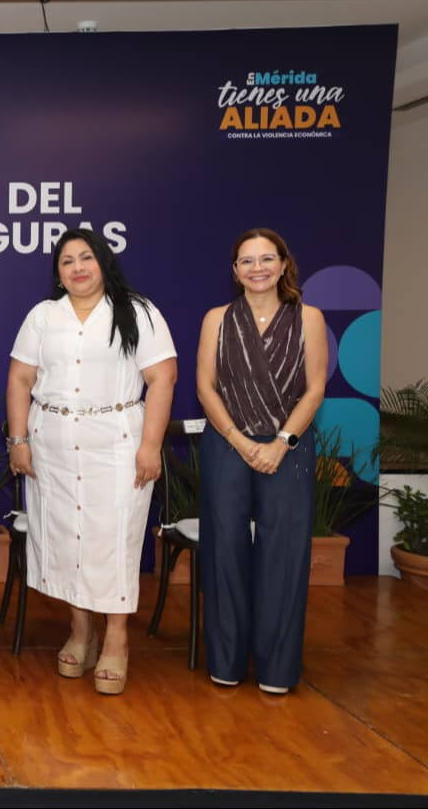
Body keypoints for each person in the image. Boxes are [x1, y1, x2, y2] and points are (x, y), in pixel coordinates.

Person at [6, 228, 177, 696]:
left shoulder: (137, 311)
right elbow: (20, 379)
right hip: (52, 444)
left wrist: (151, 445)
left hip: (118, 442)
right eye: (67, 261)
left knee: (112, 538)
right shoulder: (44, 316)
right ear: (58, 274)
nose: (78, 267)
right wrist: (17, 440)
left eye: (87, 257)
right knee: (67, 537)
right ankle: (81, 632)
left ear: (103, 262)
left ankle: (117, 639)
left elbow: (162, 379)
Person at [195, 228, 327, 694]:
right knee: (224, 552)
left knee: (284, 556)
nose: (257, 268)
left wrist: (281, 441)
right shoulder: (216, 319)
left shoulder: (308, 317)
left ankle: (277, 670)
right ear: (235, 271)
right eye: (246, 261)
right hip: (227, 445)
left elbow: (314, 389)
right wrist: (238, 439)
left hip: (287, 449)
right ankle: (226, 661)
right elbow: (205, 387)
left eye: (266, 258)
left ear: (284, 263)